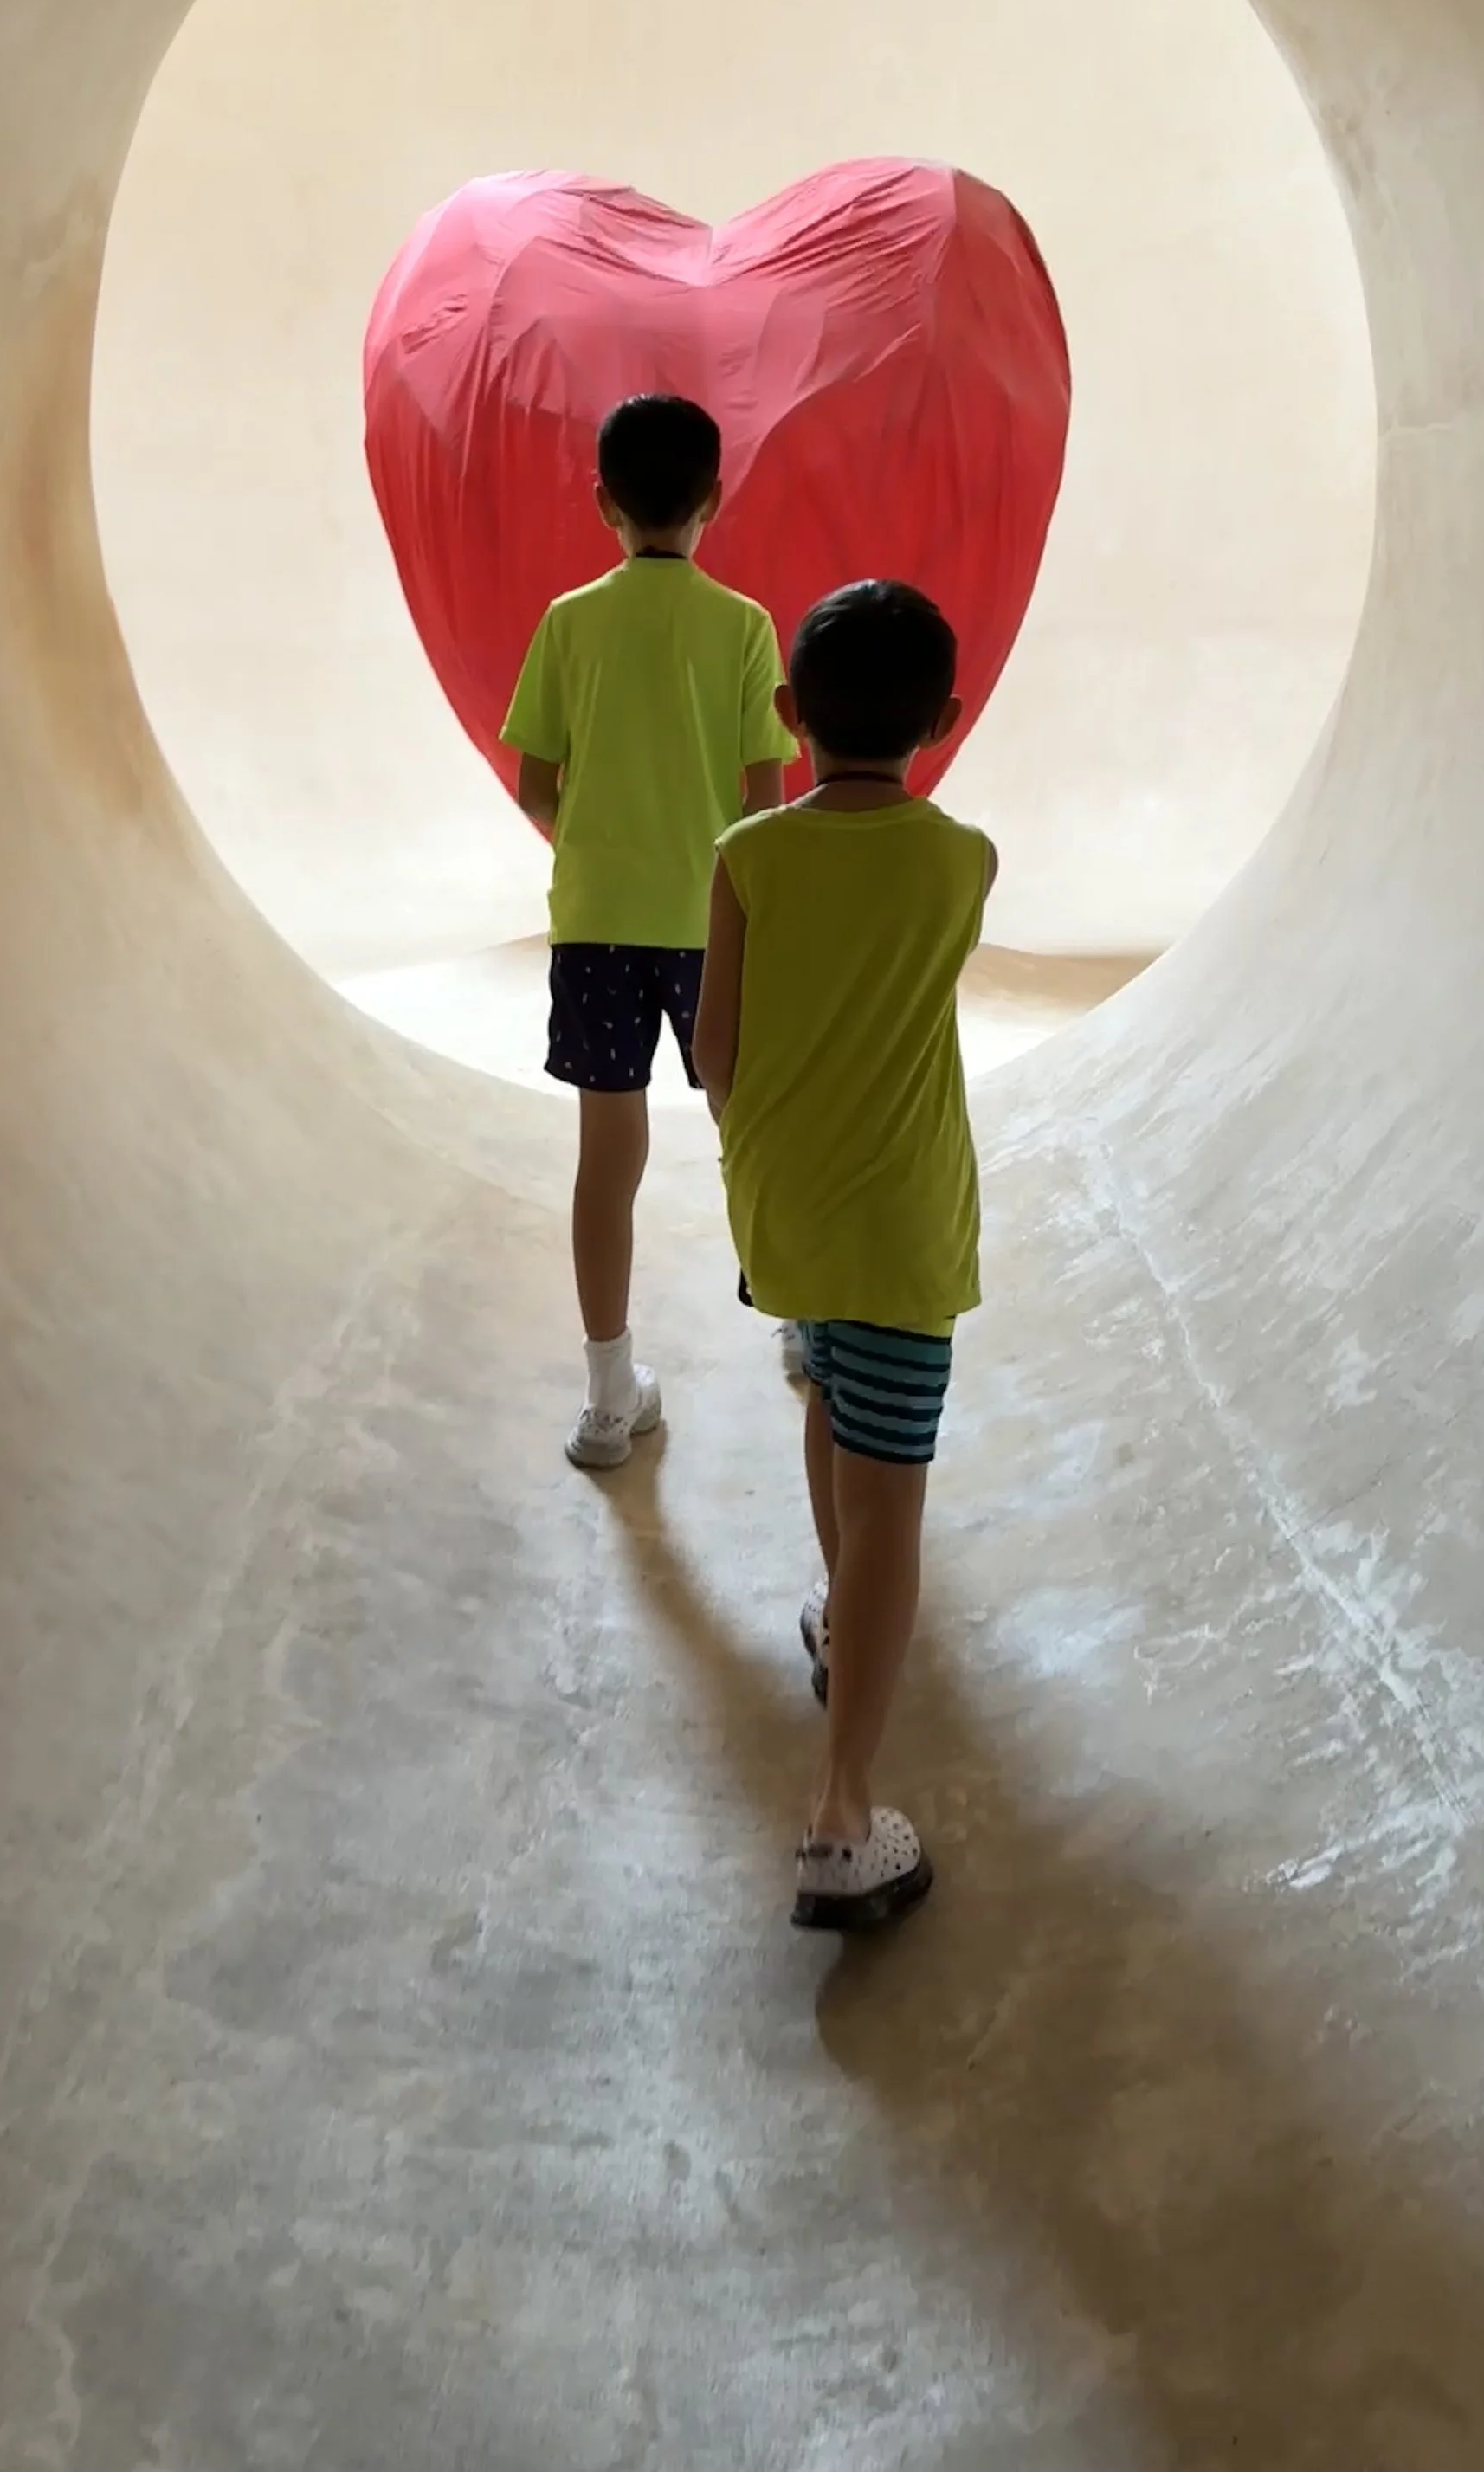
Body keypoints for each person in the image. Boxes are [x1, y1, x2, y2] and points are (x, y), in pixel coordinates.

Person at [693, 579, 995, 1931]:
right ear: (943, 717)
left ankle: (834, 1616)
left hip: (786, 1218)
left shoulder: (746, 853)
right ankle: (842, 1815)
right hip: (899, 1232)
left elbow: (713, 1056)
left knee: (822, 1396)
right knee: (893, 1506)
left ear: (787, 711)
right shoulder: (962, 859)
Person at [503, 393, 794, 1468]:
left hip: (596, 925)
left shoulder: (569, 620)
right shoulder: (747, 626)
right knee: (748, 1124)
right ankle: (803, 1321)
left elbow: (536, 782)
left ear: (601, 505)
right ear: (716, 498)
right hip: (714, 916)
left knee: (604, 1156)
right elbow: (766, 804)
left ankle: (609, 1393)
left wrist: (589, 836)